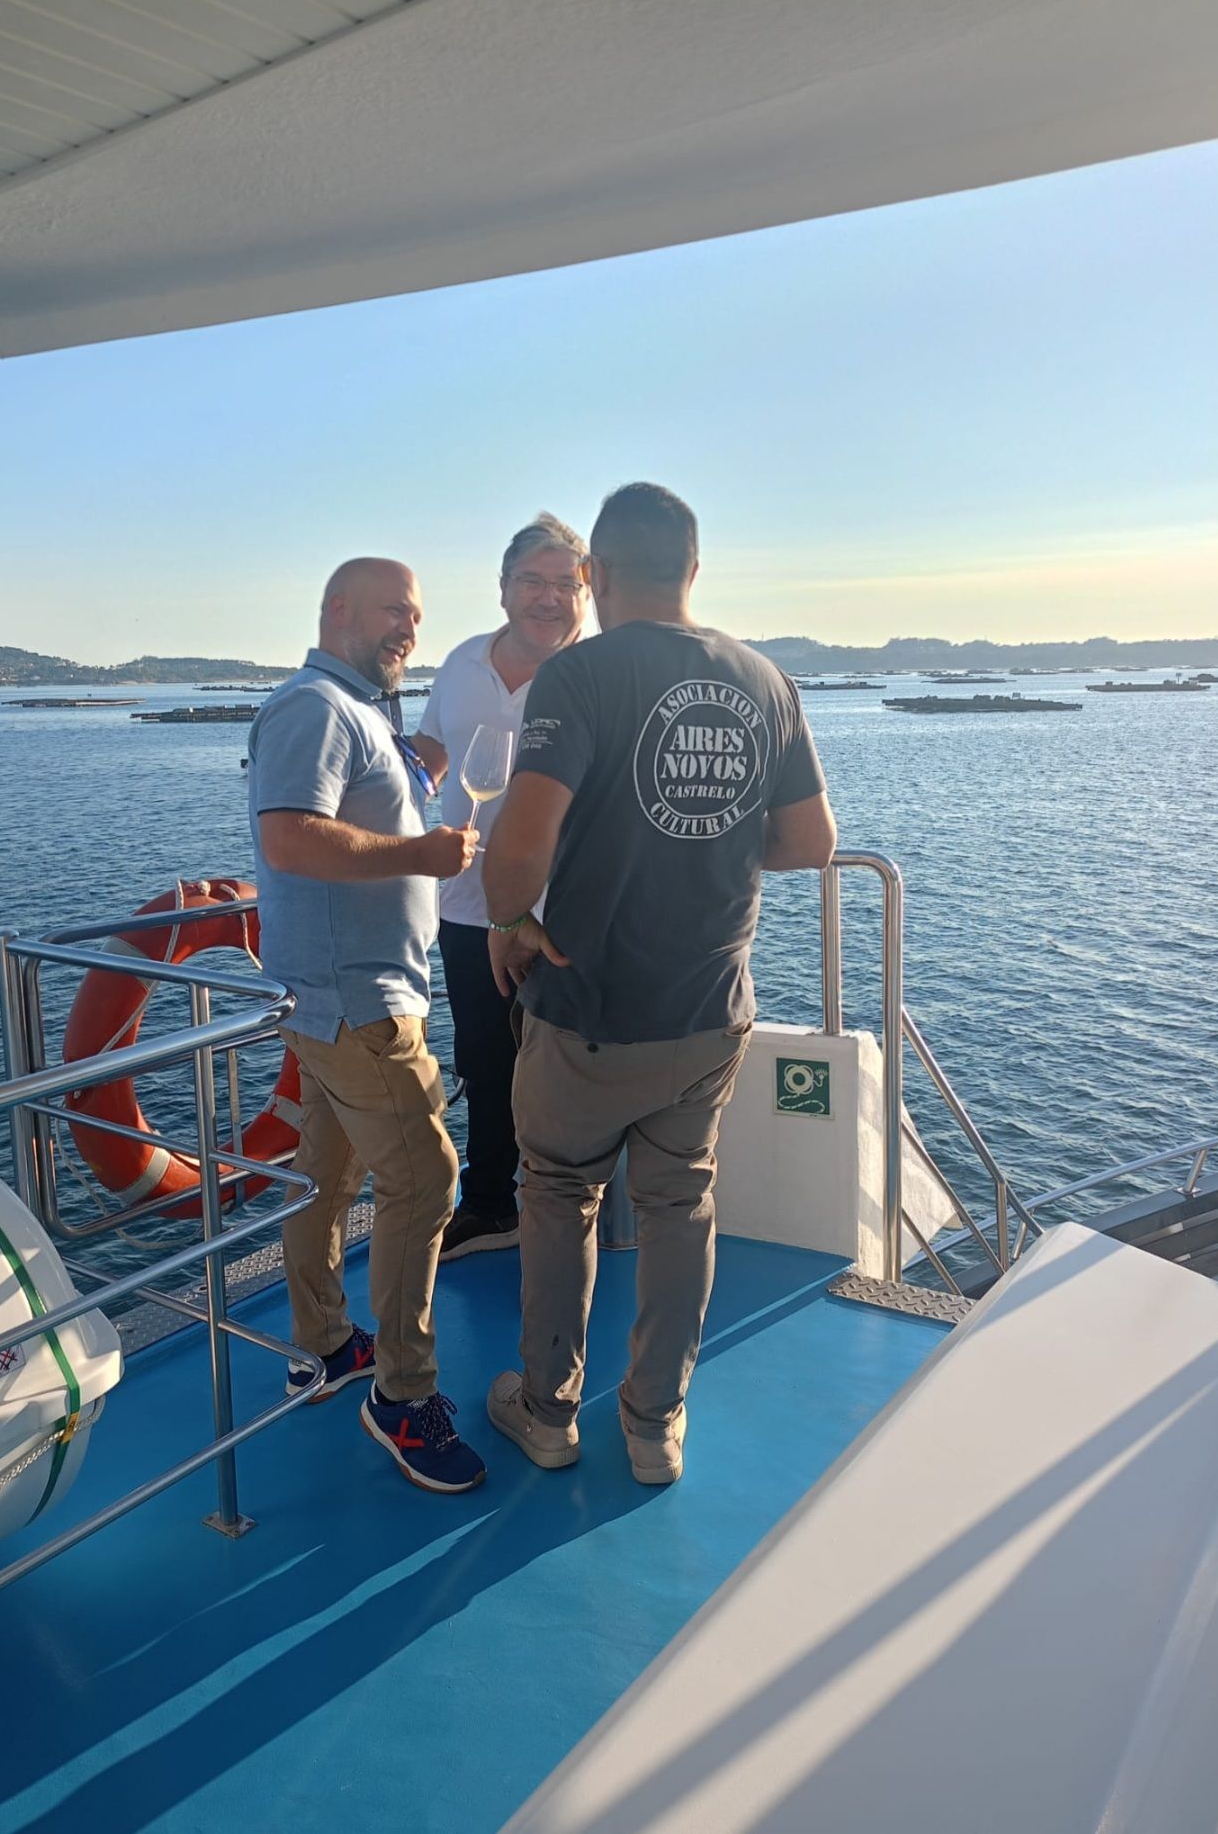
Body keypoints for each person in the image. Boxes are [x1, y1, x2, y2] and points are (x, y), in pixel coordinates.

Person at [481, 485, 837, 1486]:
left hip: (587, 1008)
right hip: (706, 1010)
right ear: (692, 566)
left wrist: (512, 920)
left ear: (592, 574)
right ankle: (654, 1424)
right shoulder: (763, 679)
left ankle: (549, 1413)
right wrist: (711, 845)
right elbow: (810, 843)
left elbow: (517, 847)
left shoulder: (576, 676)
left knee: (557, 1195)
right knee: (680, 1206)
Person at [247, 557, 487, 1494]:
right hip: (361, 1006)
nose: (408, 628)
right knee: (427, 1179)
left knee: (326, 1176)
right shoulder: (318, 706)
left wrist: (408, 775)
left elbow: (334, 819)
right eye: (394, 610)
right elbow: (290, 836)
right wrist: (424, 849)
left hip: (327, 1001)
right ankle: (402, 1398)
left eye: (417, 616)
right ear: (337, 609)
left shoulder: (357, 713)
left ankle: (326, 1344)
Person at [411, 513, 589, 1260]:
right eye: (532, 582)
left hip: (567, 908)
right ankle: (491, 1205)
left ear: (587, 590)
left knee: (573, 1065)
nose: (547, 598)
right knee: (485, 1060)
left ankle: (576, 1212)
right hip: (467, 906)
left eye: (564, 584)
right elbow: (428, 756)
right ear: (504, 588)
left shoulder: (601, 670)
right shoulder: (459, 662)